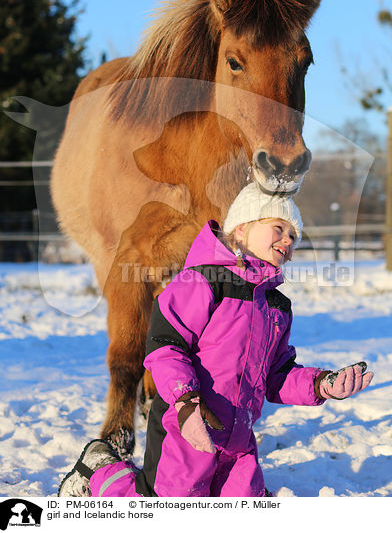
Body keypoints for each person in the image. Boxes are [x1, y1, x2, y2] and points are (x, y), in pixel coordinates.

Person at [58, 183, 374, 498]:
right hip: (184, 424)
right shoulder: (202, 281)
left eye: (294, 236)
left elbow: (276, 376)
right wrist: (185, 403)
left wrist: (321, 384)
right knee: (159, 504)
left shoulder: (277, 306)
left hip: (238, 442)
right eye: (279, 227)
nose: (288, 240)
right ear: (240, 230)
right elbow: (166, 348)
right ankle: (99, 468)